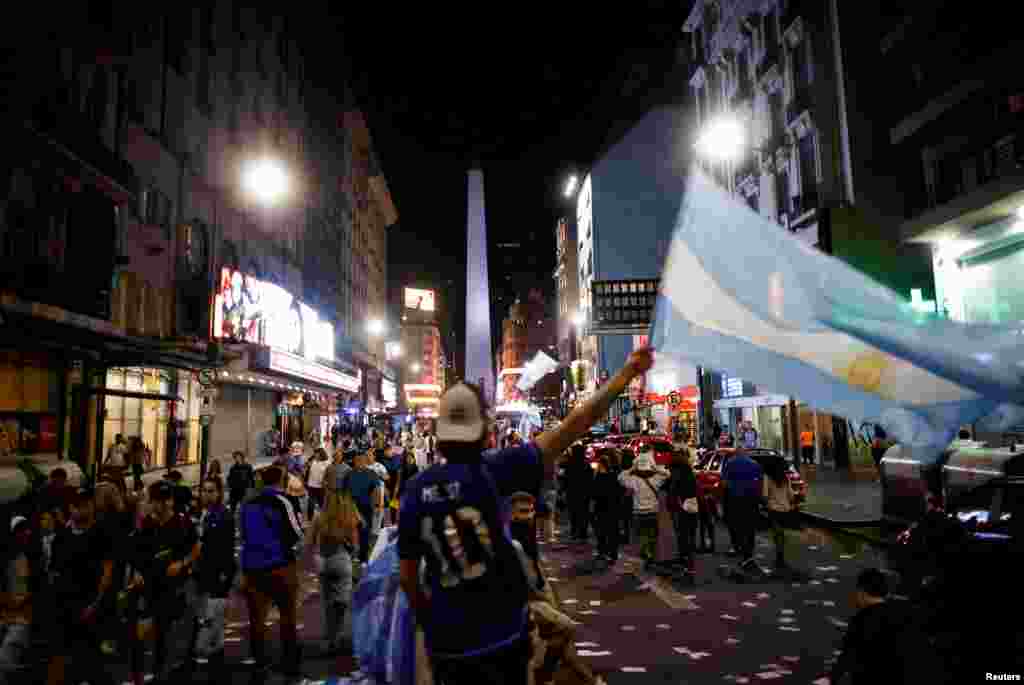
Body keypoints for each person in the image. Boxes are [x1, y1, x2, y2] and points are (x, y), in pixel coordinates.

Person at [398, 347, 654, 685]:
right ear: (483, 429)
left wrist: (429, 621)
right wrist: (627, 373)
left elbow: (408, 577)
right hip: (501, 636)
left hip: (448, 645)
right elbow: (575, 425)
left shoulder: (415, 491)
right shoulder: (494, 470)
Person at [506, 492, 605, 685]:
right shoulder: (513, 537)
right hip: (526, 597)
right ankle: (553, 676)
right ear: (512, 513)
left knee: (561, 636)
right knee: (563, 629)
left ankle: (577, 678)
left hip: (535, 590)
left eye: (531, 511)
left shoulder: (525, 528)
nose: (529, 515)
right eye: (523, 511)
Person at [128, 480, 200, 684]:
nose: (161, 505)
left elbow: (196, 548)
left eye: (165, 500)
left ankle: (161, 673)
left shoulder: (183, 523)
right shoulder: (146, 524)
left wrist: (182, 563)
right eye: (157, 500)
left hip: (173, 588)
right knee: (139, 635)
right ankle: (138, 677)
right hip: (147, 588)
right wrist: (137, 573)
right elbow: (134, 554)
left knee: (164, 635)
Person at [238, 465, 305, 680]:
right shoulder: (284, 501)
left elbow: (244, 535)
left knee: (257, 619)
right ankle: (290, 663)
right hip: (280, 565)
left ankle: (260, 664)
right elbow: (297, 532)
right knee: (287, 616)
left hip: (253, 568)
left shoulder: (247, 505)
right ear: (281, 480)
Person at [47, 487, 117, 685]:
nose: (83, 509)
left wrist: (95, 603)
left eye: (87, 505)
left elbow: (107, 570)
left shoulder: (102, 533)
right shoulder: (62, 538)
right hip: (65, 608)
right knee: (67, 661)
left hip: (92, 607)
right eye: (78, 506)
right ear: (71, 508)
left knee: (93, 661)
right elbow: (54, 572)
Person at [828, 568, 923, 685]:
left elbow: (849, 654)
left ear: (861, 591)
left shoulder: (862, 618)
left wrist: (831, 678)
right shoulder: (904, 614)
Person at [185, 477, 235, 679]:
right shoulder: (200, 513)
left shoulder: (223, 516)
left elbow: (222, 549)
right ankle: (212, 662)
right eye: (203, 490)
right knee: (205, 617)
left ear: (219, 493)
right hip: (201, 573)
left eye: (211, 491)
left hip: (217, 574)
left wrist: (223, 576)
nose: (206, 494)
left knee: (212, 618)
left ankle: (211, 662)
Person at [307, 489, 361, 655]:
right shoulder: (348, 517)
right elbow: (356, 545)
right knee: (342, 601)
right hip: (341, 559)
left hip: (322, 561)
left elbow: (309, 542)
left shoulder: (318, 517)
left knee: (327, 601)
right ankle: (337, 637)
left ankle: (329, 638)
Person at [1, 515, 38, 680]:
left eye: (26, 530)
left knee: (5, 659)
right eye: (19, 531)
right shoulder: (5, 561)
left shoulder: (33, 560)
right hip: (5, 617)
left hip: (22, 619)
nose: (24, 534)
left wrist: (23, 602)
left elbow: (37, 592)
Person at [619, 450, 670, 569]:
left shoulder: (634, 480)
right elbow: (667, 474)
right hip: (652, 512)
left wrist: (632, 468)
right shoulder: (655, 480)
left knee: (642, 536)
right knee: (652, 536)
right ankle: (650, 555)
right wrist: (655, 467)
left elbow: (620, 477)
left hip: (638, 513)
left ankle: (646, 555)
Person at [722, 449, 764, 573]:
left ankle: (740, 549)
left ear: (736, 453)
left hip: (734, 499)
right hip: (751, 500)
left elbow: (724, 483)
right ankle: (748, 554)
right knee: (750, 527)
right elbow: (760, 483)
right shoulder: (755, 464)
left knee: (736, 524)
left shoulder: (730, 463)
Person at [762, 456, 802, 573]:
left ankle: (779, 558)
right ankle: (781, 557)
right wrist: (793, 504)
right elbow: (791, 495)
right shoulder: (785, 478)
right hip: (785, 510)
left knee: (776, 534)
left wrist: (764, 505)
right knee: (781, 534)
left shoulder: (767, 477)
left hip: (773, 510)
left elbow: (765, 495)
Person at [665, 448, 698, 580]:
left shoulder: (679, 473)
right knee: (687, 538)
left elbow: (674, 490)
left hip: (682, 508)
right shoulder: (687, 472)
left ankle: (687, 567)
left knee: (684, 537)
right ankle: (687, 565)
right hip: (689, 507)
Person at [349, 452, 384, 566]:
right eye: (357, 460)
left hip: (366, 507)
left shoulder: (371, 473)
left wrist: (378, 505)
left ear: (365, 461)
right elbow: (344, 492)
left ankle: (363, 557)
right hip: (350, 506)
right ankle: (352, 554)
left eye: (362, 460)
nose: (359, 462)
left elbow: (377, 489)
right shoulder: (349, 474)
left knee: (364, 531)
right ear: (354, 461)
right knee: (352, 531)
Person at [566, 444, 593, 542]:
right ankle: (583, 533)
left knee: (573, 513)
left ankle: (574, 532)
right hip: (584, 493)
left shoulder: (570, 463)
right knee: (584, 513)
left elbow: (566, 478)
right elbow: (590, 479)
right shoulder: (586, 463)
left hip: (572, 492)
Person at [305, 448, 330, 521]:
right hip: (311, 485)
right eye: (315, 453)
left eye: (317, 453)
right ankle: (309, 519)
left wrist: (326, 482)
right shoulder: (312, 462)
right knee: (310, 503)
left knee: (322, 503)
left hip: (321, 487)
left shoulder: (327, 463)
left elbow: (329, 475)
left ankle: (324, 518)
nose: (315, 455)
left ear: (321, 454)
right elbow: (307, 472)